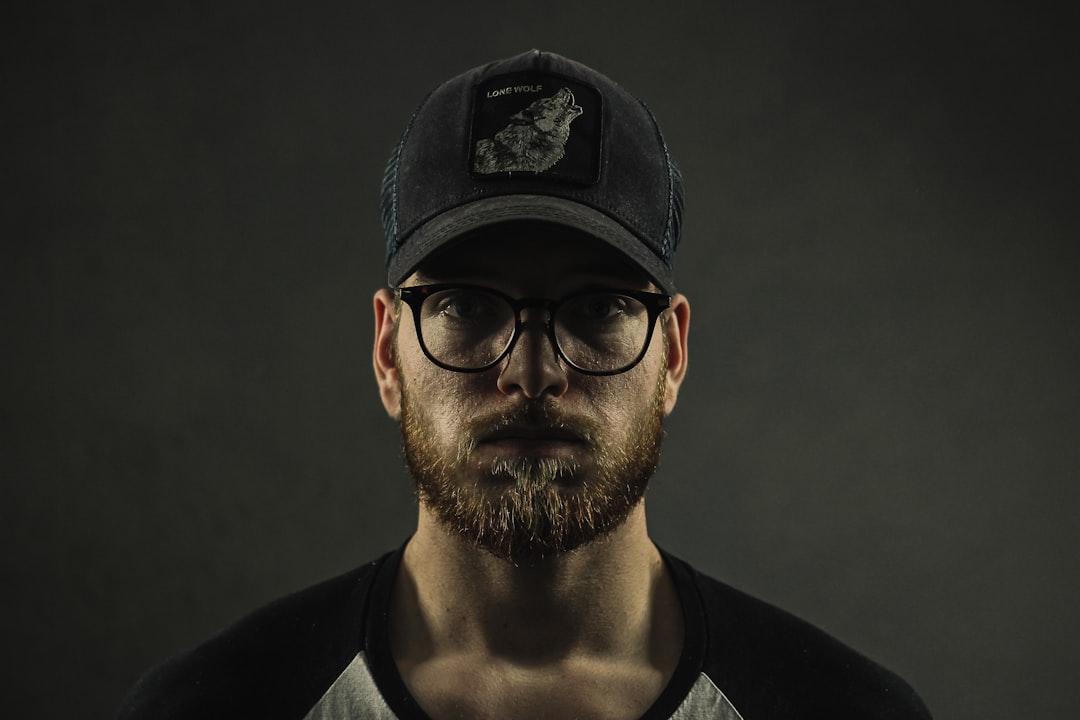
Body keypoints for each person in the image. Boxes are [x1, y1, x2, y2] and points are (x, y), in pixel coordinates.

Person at [118, 50, 932, 720]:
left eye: (599, 307)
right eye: (466, 304)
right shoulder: (210, 709)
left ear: (673, 353)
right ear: (386, 352)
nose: (532, 372)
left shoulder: (846, 712)